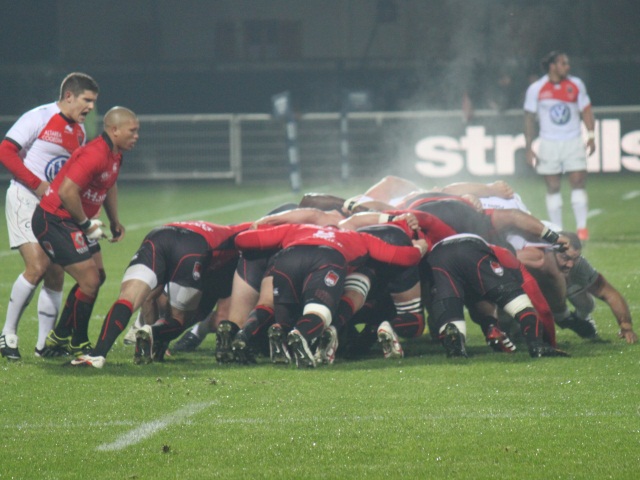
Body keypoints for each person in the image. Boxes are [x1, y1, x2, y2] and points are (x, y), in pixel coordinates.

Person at [0, 72, 99, 360]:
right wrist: (37, 185)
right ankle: (7, 334)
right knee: (38, 265)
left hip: (52, 209)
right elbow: (6, 151)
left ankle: (45, 345)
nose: (91, 107)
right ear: (69, 96)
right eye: (87, 100)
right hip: (25, 197)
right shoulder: (39, 116)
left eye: (93, 101)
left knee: (56, 273)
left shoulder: (80, 131)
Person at [31, 106, 138, 357]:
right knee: (89, 281)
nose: (136, 136)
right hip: (54, 220)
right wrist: (86, 224)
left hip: (73, 221)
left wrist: (114, 220)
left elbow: (108, 185)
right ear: (114, 130)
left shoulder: (115, 154)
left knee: (97, 276)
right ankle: (77, 341)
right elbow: (66, 192)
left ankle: (60, 335)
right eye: (132, 131)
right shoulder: (95, 153)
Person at [70, 220, 249, 368]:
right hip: (193, 246)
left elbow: (151, 297)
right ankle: (154, 333)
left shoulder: (220, 233)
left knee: (129, 298)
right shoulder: (237, 237)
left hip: (159, 235)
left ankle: (97, 355)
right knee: (180, 318)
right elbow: (255, 226)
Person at [524, 51, 596, 241]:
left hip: (573, 140)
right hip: (548, 143)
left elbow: (586, 110)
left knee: (578, 182)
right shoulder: (536, 89)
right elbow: (529, 117)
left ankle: (582, 228)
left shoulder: (576, 84)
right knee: (553, 186)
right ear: (552, 66)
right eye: (563, 63)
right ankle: (558, 230)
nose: (567, 66)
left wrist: (590, 134)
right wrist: (529, 147)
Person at [540, 232, 637, 344]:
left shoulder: (579, 265)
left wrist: (626, 326)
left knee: (586, 303)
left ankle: (577, 319)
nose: (570, 264)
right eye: (565, 257)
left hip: (558, 294)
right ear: (550, 252)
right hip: (537, 297)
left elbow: (609, 293)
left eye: (575, 259)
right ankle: (565, 320)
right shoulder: (537, 261)